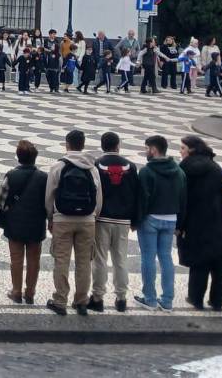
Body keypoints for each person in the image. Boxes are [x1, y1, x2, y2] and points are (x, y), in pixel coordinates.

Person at [44, 129, 102, 316]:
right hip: (87, 219)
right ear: (83, 144)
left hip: (63, 219)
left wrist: (50, 217)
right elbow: (98, 196)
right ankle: (81, 301)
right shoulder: (92, 168)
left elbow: (49, 195)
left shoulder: (58, 166)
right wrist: (94, 215)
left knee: (61, 260)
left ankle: (60, 300)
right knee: (84, 262)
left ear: (67, 144)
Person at [177, 135, 222, 310]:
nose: (180, 152)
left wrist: (180, 224)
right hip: (219, 223)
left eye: (182, 148)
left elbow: (182, 199)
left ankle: (196, 298)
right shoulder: (216, 168)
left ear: (191, 150)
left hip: (195, 223)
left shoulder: (184, 170)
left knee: (198, 262)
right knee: (219, 265)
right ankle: (217, 301)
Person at [133, 134, 186, 311]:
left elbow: (142, 199)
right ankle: (167, 300)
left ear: (154, 149)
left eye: (146, 148)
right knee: (166, 258)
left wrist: (136, 220)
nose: (146, 152)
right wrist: (180, 224)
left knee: (148, 257)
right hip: (171, 219)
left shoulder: (147, 171)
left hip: (150, 219)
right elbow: (183, 199)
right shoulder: (179, 171)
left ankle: (150, 298)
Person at [90, 131, 139, 312]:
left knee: (99, 259)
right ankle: (121, 297)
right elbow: (136, 194)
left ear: (102, 146)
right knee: (120, 259)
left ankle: (97, 297)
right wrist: (135, 219)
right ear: (118, 145)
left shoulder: (96, 165)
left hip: (102, 218)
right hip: (123, 220)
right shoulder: (131, 167)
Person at [0, 140, 48, 305]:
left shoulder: (11, 175)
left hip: (15, 223)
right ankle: (30, 292)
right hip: (37, 223)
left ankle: (16, 291)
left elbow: (1, 199)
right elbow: (48, 202)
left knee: (16, 259)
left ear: (18, 157)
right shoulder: (43, 177)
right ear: (35, 158)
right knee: (34, 260)